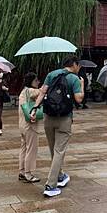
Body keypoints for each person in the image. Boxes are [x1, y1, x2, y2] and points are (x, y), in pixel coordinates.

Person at [31, 56, 84, 197]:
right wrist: (82, 85)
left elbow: (42, 91)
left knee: (53, 150)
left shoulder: (52, 74)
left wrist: (35, 108)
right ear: (74, 64)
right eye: (79, 66)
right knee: (59, 151)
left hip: (48, 117)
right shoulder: (74, 79)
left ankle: (60, 176)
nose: (79, 69)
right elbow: (79, 99)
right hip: (64, 118)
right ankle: (50, 185)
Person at [18, 72, 43, 183]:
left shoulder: (23, 92)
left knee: (23, 148)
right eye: (36, 80)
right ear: (32, 81)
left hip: (22, 125)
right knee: (31, 149)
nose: (38, 82)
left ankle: (22, 171)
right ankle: (28, 173)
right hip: (30, 126)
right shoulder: (31, 91)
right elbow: (42, 91)